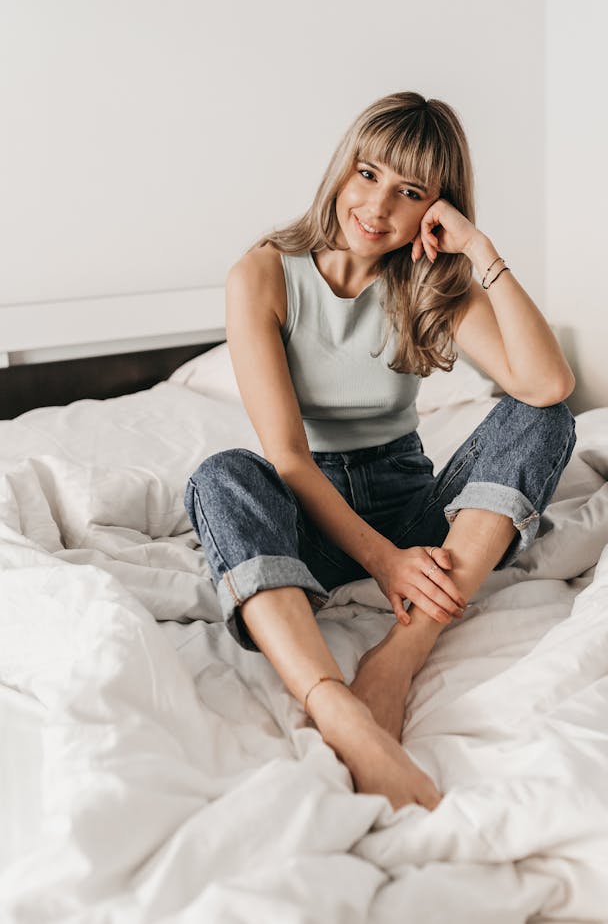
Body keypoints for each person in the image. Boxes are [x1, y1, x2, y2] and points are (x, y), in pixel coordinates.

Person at [185, 91, 576, 812]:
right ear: (342, 168)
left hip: (411, 502)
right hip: (312, 515)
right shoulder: (263, 275)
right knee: (221, 477)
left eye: (410, 192)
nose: (376, 205)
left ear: (436, 207)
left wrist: (480, 251)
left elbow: (548, 382)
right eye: (367, 173)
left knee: (544, 419)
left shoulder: (428, 280)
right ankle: (337, 710)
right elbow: (291, 459)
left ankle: (401, 655)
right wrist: (384, 562)